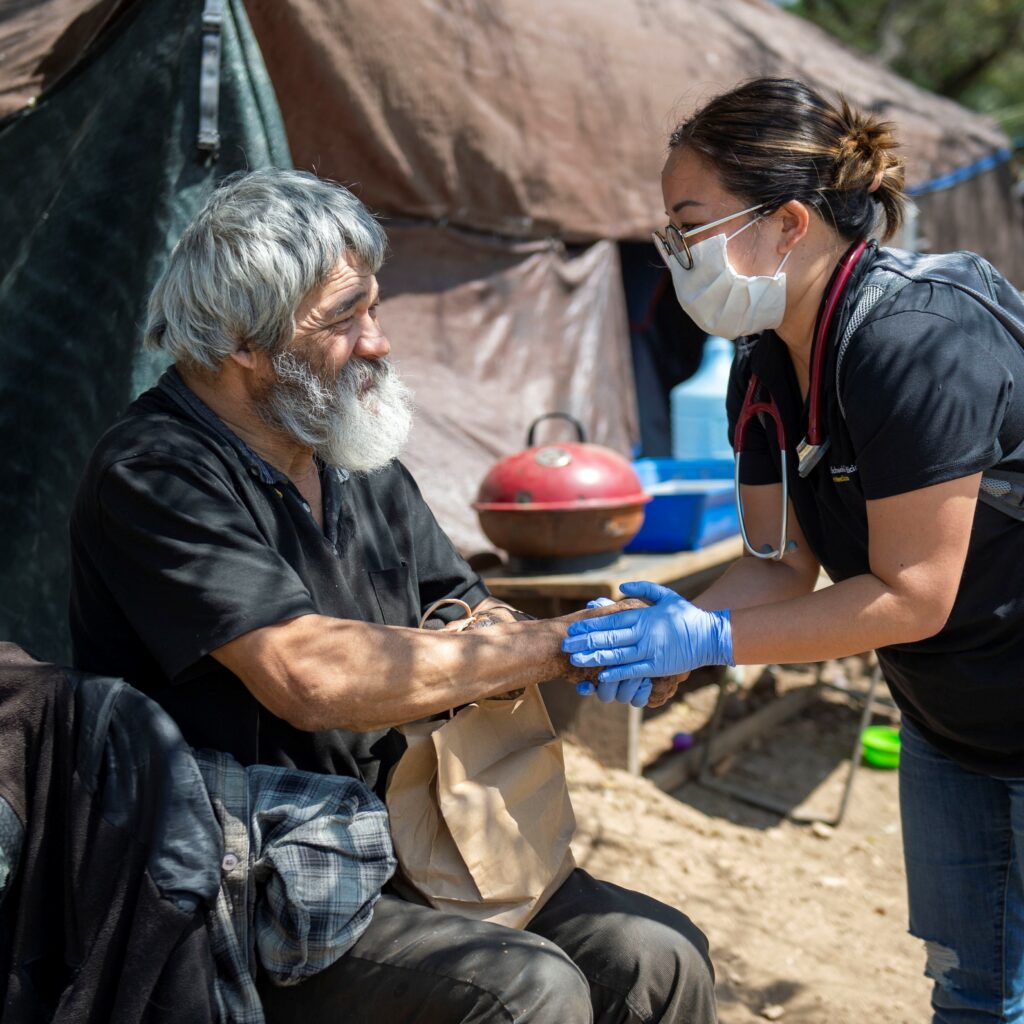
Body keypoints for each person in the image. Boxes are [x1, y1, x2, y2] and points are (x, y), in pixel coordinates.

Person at [68, 168, 716, 1024]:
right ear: (240, 342)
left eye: (373, 307)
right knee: (528, 990)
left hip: (415, 837)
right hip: (254, 880)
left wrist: (611, 648)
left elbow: (473, 616)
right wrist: (560, 645)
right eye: (343, 318)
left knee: (656, 955)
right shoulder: (155, 472)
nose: (375, 342)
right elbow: (308, 678)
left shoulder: (350, 456)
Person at [564, 77, 1024, 1023]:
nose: (673, 254)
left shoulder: (915, 340)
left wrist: (712, 642)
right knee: (974, 990)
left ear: (788, 223)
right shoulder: (765, 360)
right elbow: (781, 562)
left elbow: (913, 594)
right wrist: (672, 633)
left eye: (687, 224)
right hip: (952, 717)